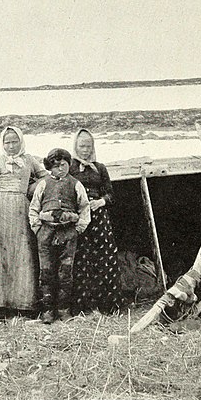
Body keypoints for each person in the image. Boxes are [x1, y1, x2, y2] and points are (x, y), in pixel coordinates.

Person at [0, 127, 47, 316]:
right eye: (7, 142)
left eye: (14, 142)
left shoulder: (29, 160)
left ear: (21, 142)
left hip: (21, 210)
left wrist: (33, 187)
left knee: (22, 254)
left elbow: (46, 177)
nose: (10, 146)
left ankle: (22, 304)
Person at [29, 148, 90, 323]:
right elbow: (34, 208)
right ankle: (47, 310)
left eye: (63, 165)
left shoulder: (75, 184)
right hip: (46, 232)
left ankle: (64, 309)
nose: (60, 169)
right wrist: (38, 228)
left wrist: (78, 228)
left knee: (66, 272)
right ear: (50, 168)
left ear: (69, 165)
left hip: (68, 233)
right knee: (46, 271)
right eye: (55, 166)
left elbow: (84, 207)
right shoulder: (43, 184)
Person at [69, 129, 124, 314]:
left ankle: (108, 305)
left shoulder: (99, 167)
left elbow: (111, 194)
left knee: (105, 258)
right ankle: (84, 306)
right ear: (76, 146)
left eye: (88, 146)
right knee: (82, 259)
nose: (85, 150)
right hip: (79, 218)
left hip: (99, 218)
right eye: (82, 146)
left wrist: (101, 201)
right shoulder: (69, 167)